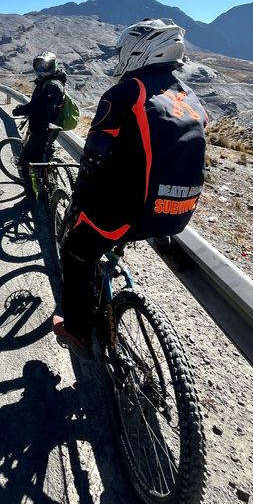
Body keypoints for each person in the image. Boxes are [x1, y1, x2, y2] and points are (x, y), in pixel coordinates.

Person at [52, 19, 207, 357]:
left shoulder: (126, 91)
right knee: (106, 235)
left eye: (124, 49)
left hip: (128, 211)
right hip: (178, 213)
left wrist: (79, 201)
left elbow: (93, 157)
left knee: (77, 250)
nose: (120, 55)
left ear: (141, 50)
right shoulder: (189, 95)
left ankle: (77, 330)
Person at [12, 51, 67, 201]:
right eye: (38, 66)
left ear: (52, 65)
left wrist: (21, 110)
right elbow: (39, 105)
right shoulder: (49, 82)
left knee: (25, 163)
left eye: (44, 65)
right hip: (45, 128)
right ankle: (44, 182)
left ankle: (32, 197)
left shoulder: (52, 85)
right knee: (40, 159)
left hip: (42, 130)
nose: (41, 69)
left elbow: (42, 109)